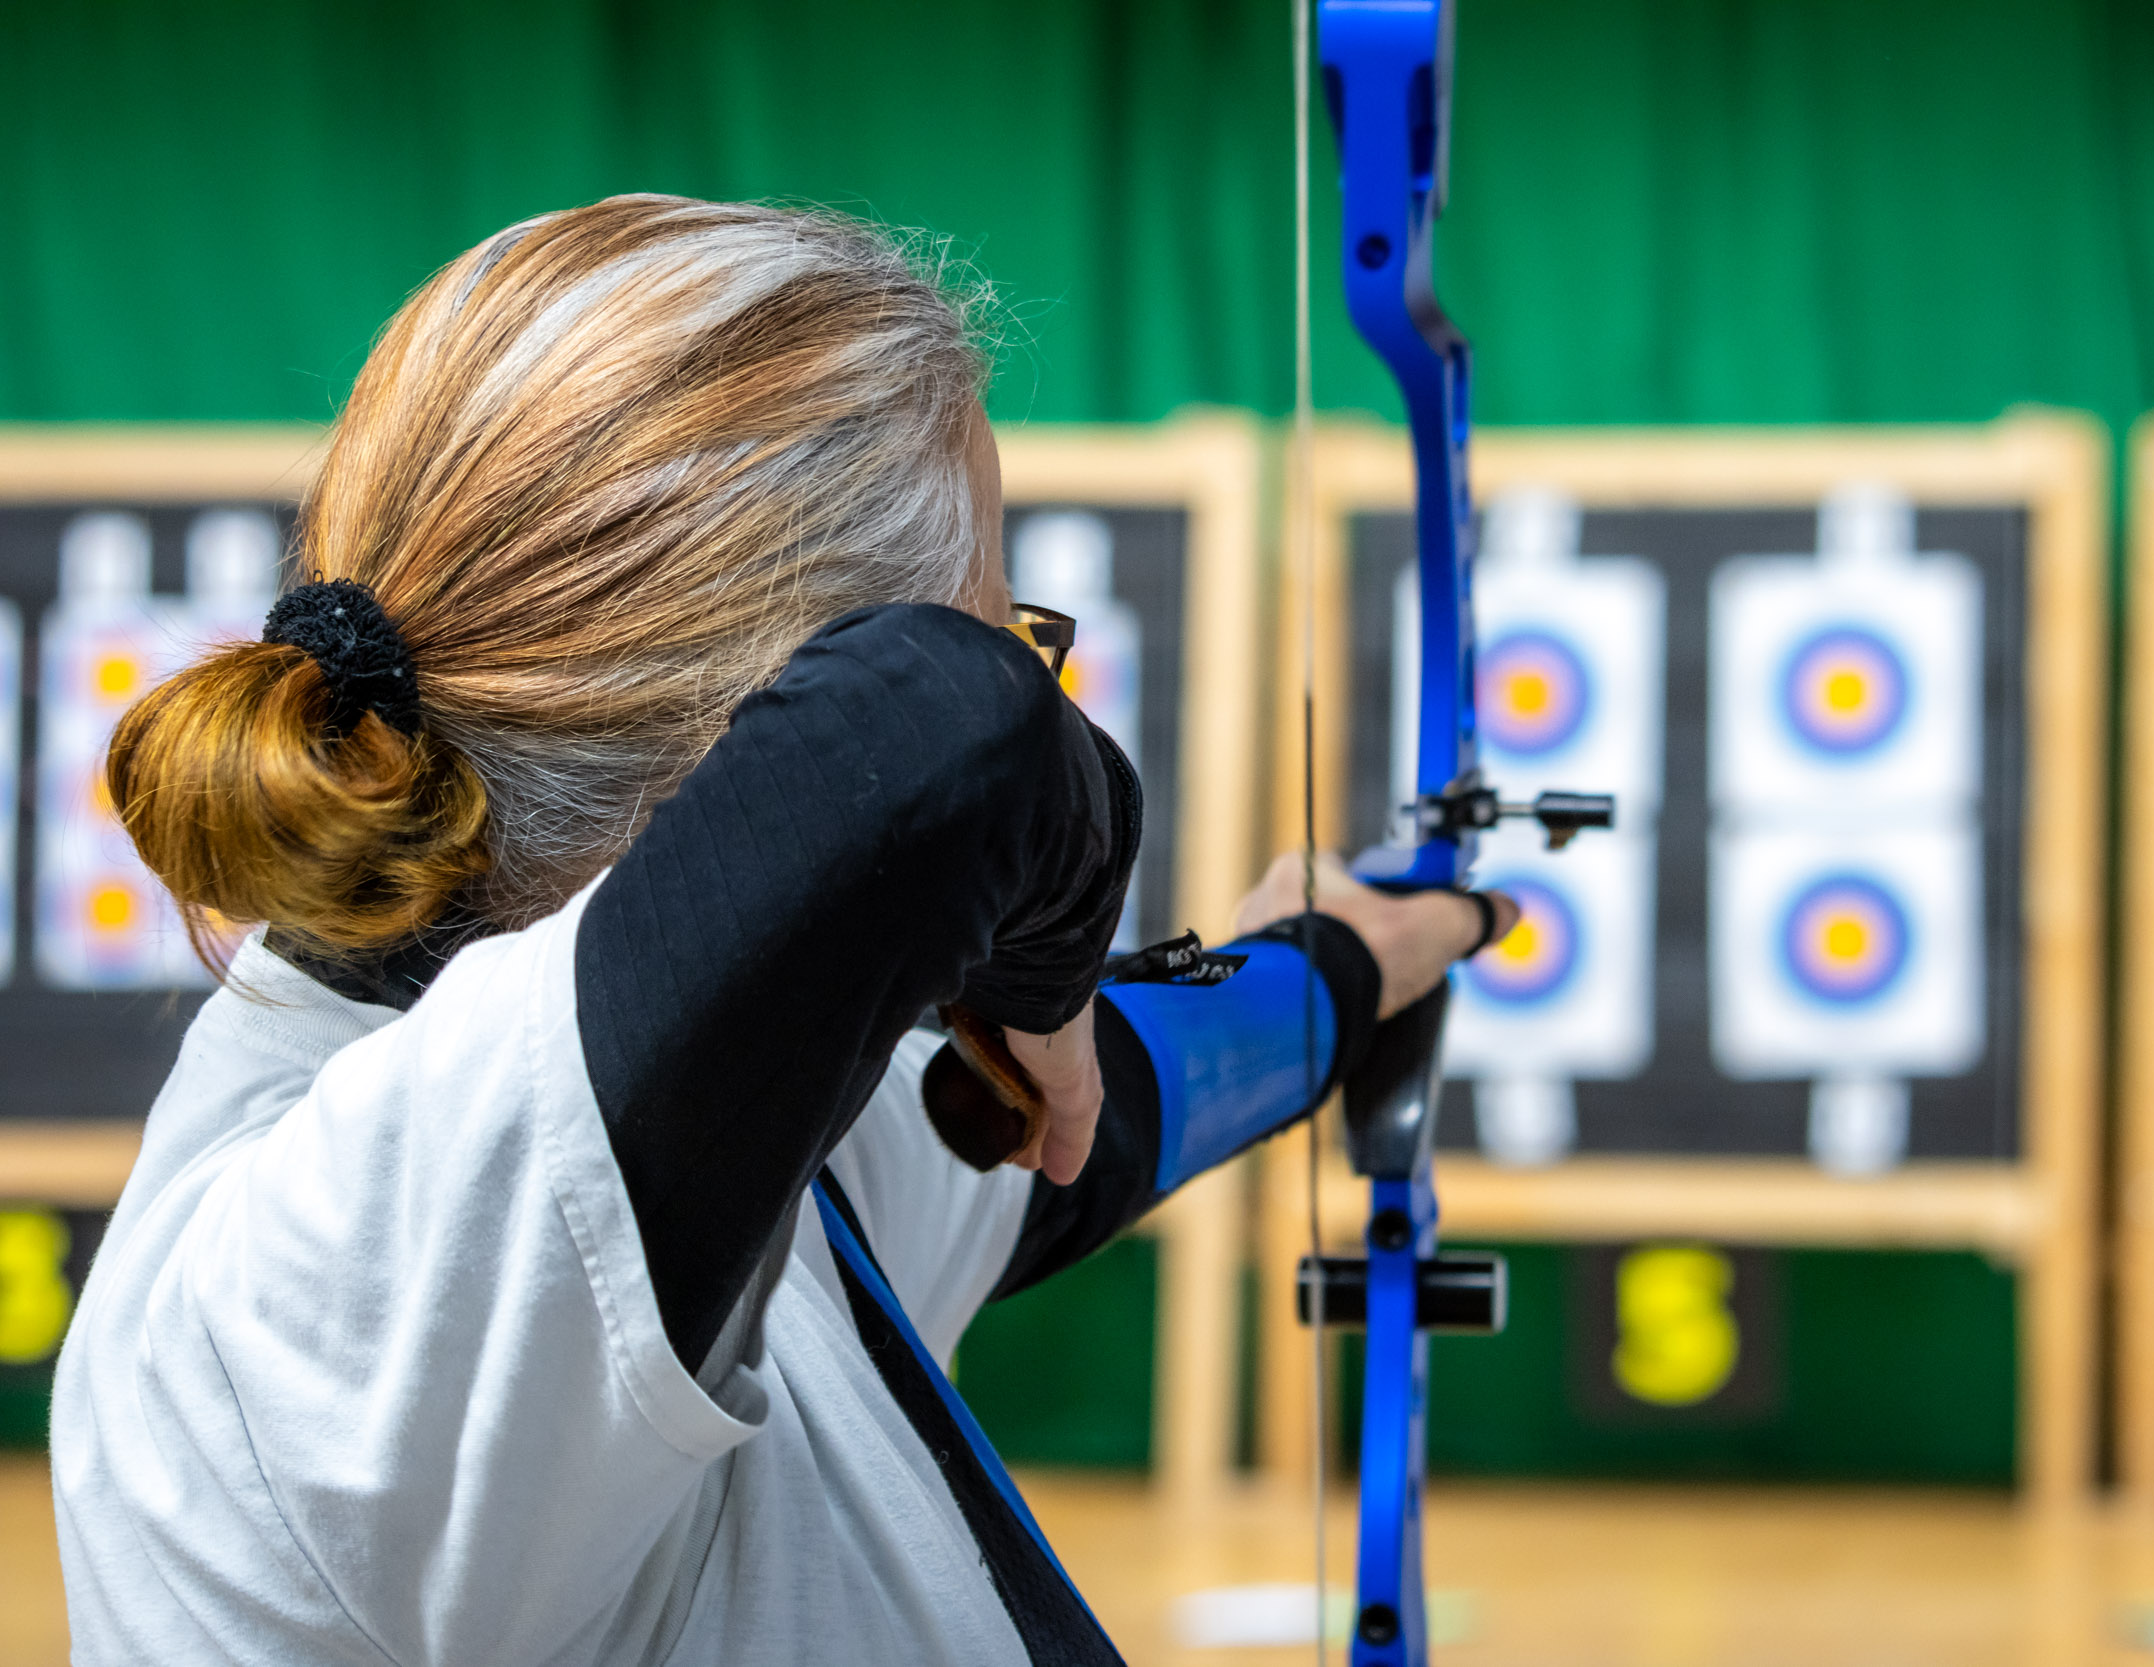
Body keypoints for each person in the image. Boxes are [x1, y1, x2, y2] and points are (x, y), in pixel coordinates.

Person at [49, 195, 1510, 1666]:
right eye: (1016, 633)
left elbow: (1090, 1124)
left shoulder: (693, 1141)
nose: (1029, 680)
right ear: (752, 716)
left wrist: (1338, 960)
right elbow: (940, 726)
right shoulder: (369, 1258)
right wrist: (1046, 955)